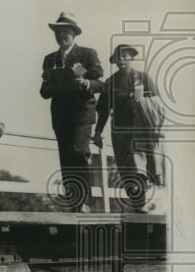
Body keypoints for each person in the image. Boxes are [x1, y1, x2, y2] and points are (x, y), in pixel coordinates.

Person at [39, 11, 103, 212]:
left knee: (78, 151)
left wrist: (86, 83)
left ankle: (83, 201)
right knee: (66, 156)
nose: (61, 36)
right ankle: (74, 201)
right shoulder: (50, 59)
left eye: (65, 32)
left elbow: (100, 82)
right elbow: (44, 91)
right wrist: (51, 84)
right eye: (58, 32)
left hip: (82, 113)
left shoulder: (86, 54)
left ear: (74, 34)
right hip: (61, 115)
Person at [93, 44, 164, 212]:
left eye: (126, 56)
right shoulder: (110, 83)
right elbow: (103, 110)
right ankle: (137, 203)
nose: (123, 59)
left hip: (140, 129)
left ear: (132, 58)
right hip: (119, 131)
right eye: (119, 57)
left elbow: (158, 107)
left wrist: (141, 101)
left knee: (138, 165)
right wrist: (97, 132)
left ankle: (140, 205)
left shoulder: (143, 78)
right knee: (125, 168)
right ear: (115, 61)